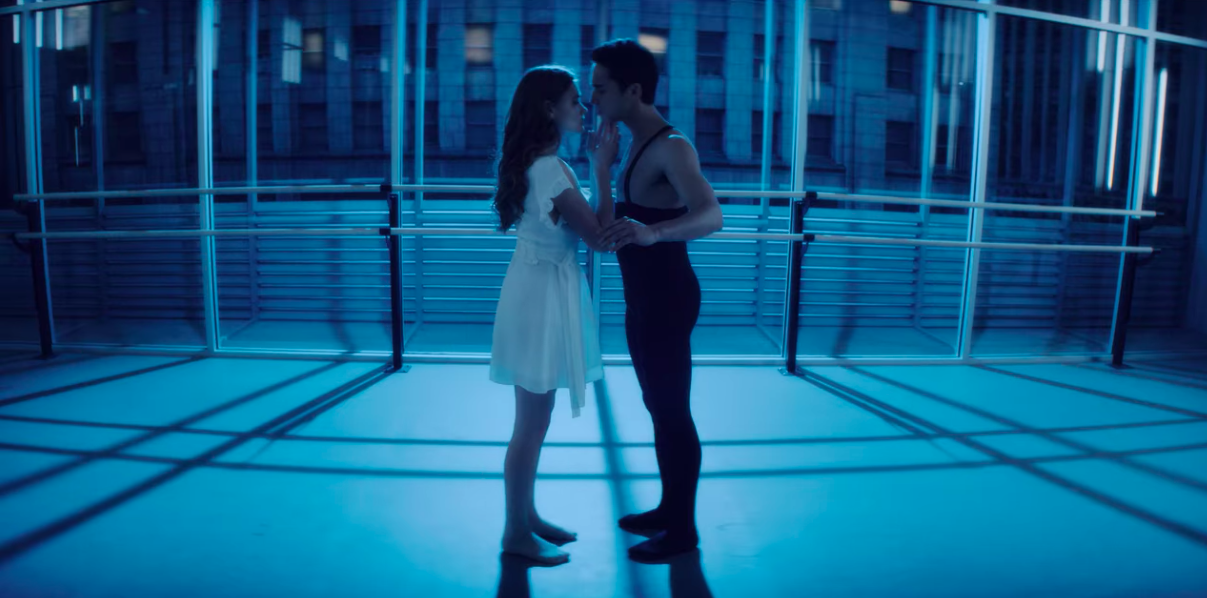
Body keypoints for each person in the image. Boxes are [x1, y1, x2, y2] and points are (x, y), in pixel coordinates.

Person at [588, 39, 725, 563]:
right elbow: (607, 231)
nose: (593, 98)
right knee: (658, 409)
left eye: (601, 88)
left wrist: (655, 233)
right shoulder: (632, 146)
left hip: (668, 296)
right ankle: (670, 510)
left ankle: (683, 532)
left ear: (633, 90)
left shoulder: (673, 147)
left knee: (672, 413)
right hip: (642, 299)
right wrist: (601, 167)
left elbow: (711, 214)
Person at [488, 65, 627, 566]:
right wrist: (604, 168)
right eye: (574, 99)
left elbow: (582, 231)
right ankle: (515, 533)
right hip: (542, 297)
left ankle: (526, 517)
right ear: (549, 109)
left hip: (535, 290)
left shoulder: (540, 163)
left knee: (533, 422)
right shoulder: (550, 169)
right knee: (530, 425)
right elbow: (599, 239)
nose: (583, 107)